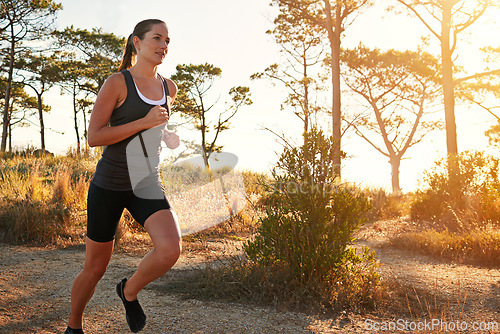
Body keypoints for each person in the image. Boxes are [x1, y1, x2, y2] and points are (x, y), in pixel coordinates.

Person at [65, 19, 182, 334]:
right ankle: (74, 326)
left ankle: (128, 291)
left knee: (170, 250)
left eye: (167, 40)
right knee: (94, 268)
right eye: (156, 38)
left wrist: (168, 135)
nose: (163, 45)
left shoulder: (169, 88)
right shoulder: (117, 83)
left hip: (146, 183)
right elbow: (94, 137)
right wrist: (144, 123)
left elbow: (157, 127)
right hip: (109, 185)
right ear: (137, 43)